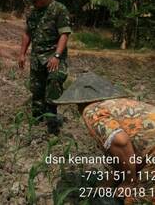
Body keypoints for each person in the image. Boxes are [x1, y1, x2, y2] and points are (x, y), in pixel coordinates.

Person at [54, 71, 155, 204]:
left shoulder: (92, 110)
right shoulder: (119, 104)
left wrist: (129, 181)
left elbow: (121, 142)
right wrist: (109, 183)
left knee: (137, 200)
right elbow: (125, 154)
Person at [18, 0, 72, 134]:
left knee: (53, 86)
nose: (33, 3)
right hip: (36, 58)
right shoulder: (33, 12)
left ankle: (52, 123)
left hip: (53, 57)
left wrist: (56, 55)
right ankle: (36, 121)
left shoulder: (59, 9)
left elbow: (64, 34)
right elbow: (27, 33)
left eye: (36, 0)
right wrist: (22, 53)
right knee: (36, 90)